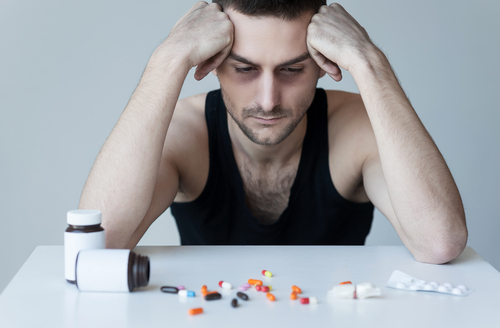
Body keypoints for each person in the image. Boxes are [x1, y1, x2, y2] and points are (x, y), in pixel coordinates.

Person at [78, 0, 468, 264]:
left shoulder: (359, 129)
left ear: (323, 64)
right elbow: (99, 244)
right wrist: (168, 60)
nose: (267, 100)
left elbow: (439, 242)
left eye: (292, 70)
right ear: (212, 62)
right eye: (244, 69)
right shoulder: (184, 134)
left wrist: (369, 60)